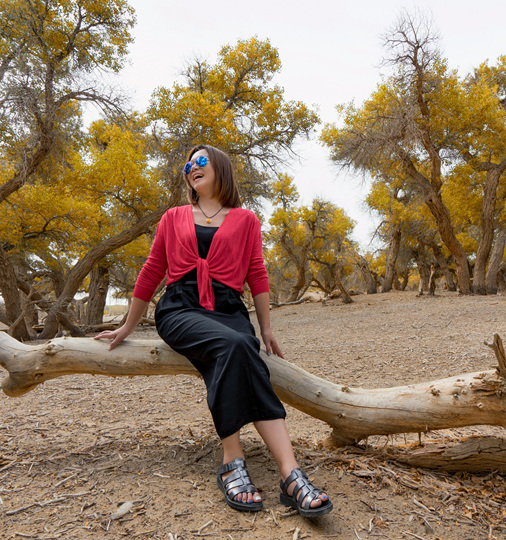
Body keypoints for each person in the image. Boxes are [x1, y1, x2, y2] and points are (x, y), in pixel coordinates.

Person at [94, 144, 332, 517]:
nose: (192, 167)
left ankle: (290, 472)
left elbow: (257, 275)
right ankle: (232, 457)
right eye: (188, 164)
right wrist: (129, 323)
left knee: (242, 348)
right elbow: (152, 270)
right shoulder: (173, 216)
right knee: (236, 345)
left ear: (221, 167)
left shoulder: (246, 219)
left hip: (229, 309)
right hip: (181, 308)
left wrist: (266, 328)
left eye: (201, 160)